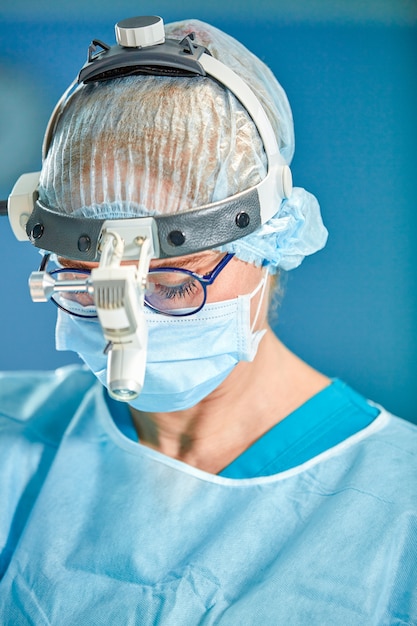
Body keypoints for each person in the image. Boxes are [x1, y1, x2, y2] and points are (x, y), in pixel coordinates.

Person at [0, 16, 416, 625]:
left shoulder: (400, 508)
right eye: (83, 283)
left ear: (272, 241)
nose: (127, 325)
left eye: (172, 285)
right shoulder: (14, 438)